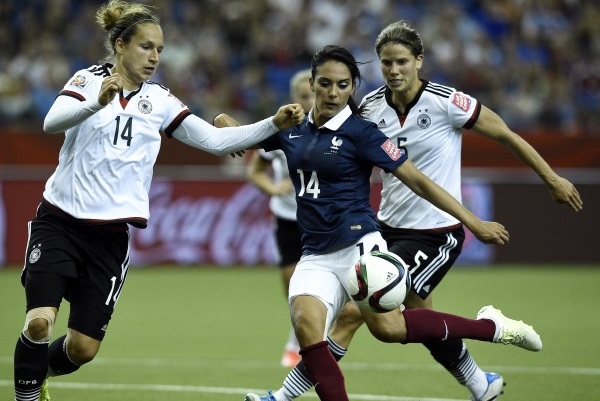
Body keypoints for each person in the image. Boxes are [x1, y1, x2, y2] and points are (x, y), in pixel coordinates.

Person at [245, 21, 583, 401]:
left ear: (419, 61)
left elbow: (504, 133)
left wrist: (551, 178)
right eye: (386, 62)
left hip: (435, 231)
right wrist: (250, 132)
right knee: (417, 324)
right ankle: (480, 382)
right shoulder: (370, 108)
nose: (394, 70)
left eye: (402, 61)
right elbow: (330, 131)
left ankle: (282, 397)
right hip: (385, 229)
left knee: (359, 318)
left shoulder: (447, 102)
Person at [11, 2, 305, 401]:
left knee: (83, 348)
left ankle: (33, 370)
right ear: (120, 45)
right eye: (146, 47)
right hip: (59, 222)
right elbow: (52, 121)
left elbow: (216, 142)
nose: (154, 57)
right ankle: (26, 393)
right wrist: (97, 101)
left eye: (159, 50)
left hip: (109, 238)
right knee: (40, 324)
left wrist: (274, 123)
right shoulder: (86, 80)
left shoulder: (160, 101)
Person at [246, 69, 315, 368]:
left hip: (319, 220)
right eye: (303, 96)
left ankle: (305, 344)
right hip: (288, 218)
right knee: (292, 288)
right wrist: (273, 188)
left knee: (320, 287)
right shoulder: (282, 132)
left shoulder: (335, 130)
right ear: (293, 98)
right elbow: (254, 170)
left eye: (314, 93)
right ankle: (296, 336)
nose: (309, 100)